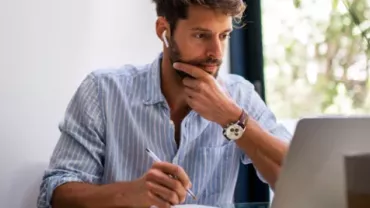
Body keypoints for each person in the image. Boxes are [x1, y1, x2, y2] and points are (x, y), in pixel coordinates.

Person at [37, 0, 291, 207]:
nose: (216, 52)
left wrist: (233, 119)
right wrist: (130, 194)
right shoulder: (103, 91)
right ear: (164, 31)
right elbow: (56, 191)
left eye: (223, 36)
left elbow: (296, 176)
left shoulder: (239, 96)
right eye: (201, 35)